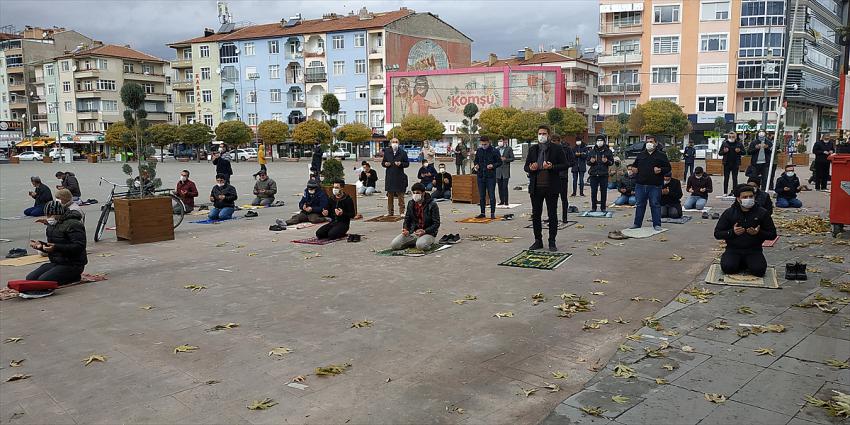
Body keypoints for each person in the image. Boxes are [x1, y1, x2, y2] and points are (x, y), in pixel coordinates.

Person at [23, 201, 87, 297]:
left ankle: (74, 276)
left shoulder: (73, 224)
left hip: (73, 264)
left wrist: (55, 248)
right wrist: (41, 246)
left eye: (50, 215)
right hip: (57, 262)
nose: (48, 217)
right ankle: (66, 276)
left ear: (58, 213)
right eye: (47, 215)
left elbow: (79, 246)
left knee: (43, 282)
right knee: (30, 278)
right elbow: (52, 246)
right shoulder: (52, 225)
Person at [714, 184, 777, 277]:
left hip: (754, 250)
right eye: (745, 197)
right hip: (733, 249)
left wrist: (758, 233)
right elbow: (717, 233)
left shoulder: (762, 213)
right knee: (728, 268)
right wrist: (732, 232)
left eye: (751, 196)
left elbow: (772, 235)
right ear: (738, 199)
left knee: (759, 271)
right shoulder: (729, 213)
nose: (748, 199)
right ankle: (739, 262)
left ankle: (747, 263)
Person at [524, 125, 568, 252]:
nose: (541, 136)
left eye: (544, 133)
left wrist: (552, 166)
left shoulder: (557, 148)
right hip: (536, 187)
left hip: (551, 186)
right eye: (539, 133)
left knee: (552, 214)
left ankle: (552, 241)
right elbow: (526, 166)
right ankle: (538, 240)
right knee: (536, 214)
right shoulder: (533, 149)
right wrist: (530, 167)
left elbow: (565, 164)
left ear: (548, 135)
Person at [631, 136, 671, 231]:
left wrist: (661, 170)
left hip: (655, 185)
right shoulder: (641, 154)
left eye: (651, 141)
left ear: (656, 143)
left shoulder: (661, 155)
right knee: (640, 204)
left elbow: (668, 168)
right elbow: (634, 165)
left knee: (655, 204)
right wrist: (633, 169)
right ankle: (637, 224)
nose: (649, 143)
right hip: (640, 184)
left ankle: (657, 224)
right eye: (647, 141)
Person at [390, 182, 440, 250]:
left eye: (418, 193)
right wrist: (406, 229)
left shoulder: (432, 204)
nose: (415, 195)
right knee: (394, 244)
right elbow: (407, 219)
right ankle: (414, 242)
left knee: (421, 246)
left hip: (428, 233)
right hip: (413, 232)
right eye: (414, 193)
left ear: (423, 193)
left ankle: (424, 242)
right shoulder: (411, 203)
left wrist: (425, 231)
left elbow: (436, 223)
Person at [472, 136, 502, 219]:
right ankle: (482, 212)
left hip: (490, 176)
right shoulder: (479, 150)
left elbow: (499, 162)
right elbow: (476, 160)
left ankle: (492, 213)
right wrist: (476, 165)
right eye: (482, 144)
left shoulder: (494, 151)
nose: (484, 146)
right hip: (481, 175)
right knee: (481, 196)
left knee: (491, 195)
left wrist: (493, 165)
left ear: (489, 142)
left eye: (485, 144)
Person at [382, 138, 410, 216]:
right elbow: (383, 162)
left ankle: (402, 211)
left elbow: (407, 163)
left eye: (396, 142)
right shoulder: (387, 152)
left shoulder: (403, 152)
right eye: (393, 142)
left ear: (399, 143)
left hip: (399, 176)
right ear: (390, 143)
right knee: (390, 195)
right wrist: (385, 164)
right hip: (390, 176)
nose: (394, 143)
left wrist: (401, 164)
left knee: (400, 195)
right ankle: (390, 212)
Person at [587, 135, 615, 213]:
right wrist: (591, 162)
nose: (599, 142)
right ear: (596, 142)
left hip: (603, 174)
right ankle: (593, 207)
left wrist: (607, 161)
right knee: (593, 192)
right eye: (598, 140)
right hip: (594, 174)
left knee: (603, 192)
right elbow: (588, 162)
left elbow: (611, 162)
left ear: (604, 141)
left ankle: (603, 207)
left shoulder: (608, 151)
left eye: (601, 140)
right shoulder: (592, 151)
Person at [551, 135, 575, 222]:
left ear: (558, 141)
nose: (552, 143)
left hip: (562, 176)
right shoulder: (549, 149)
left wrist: (564, 166)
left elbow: (572, 162)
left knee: (563, 198)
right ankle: (552, 216)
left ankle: (564, 217)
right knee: (552, 198)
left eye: (554, 141)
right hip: (552, 176)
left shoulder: (566, 149)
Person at [718, 132, 745, 196]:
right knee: (726, 178)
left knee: (735, 178)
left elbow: (744, 152)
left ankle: (734, 192)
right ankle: (725, 192)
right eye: (730, 137)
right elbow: (720, 153)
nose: (731, 138)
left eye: (733, 137)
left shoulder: (739, 143)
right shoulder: (725, 143)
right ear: (728, 137)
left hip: (735, 163)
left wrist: (739, 151)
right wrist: (724, 151)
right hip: (726, 163)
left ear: (735, 137)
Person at [495, 137, 515, 205]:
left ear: (505, 141)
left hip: (505, 170)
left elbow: (512, 158)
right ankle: (501, 201)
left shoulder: (509, 149)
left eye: (501, 141)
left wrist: (505, 159)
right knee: (499, 187)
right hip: (498, 171)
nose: (499, 142)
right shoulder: (496, 149)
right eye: (499, 141)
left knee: (505, 187)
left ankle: (506, 201)